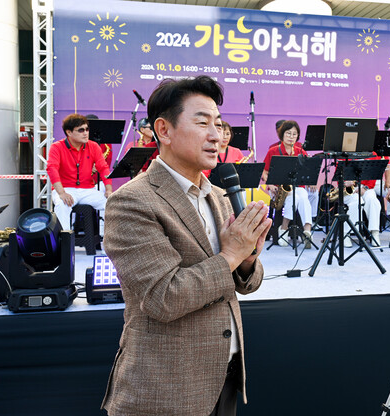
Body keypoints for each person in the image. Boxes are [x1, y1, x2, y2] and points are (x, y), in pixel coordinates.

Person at [100, 76, 272, 416]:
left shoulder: (220, 196)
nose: (217, 135)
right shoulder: (133, 202)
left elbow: (242, 283)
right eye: (203, 122)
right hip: (167, 388)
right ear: (163, 130)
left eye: (219, 125)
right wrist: (233, 254)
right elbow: (163, 297)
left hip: (224, 378)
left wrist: (249, 260)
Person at [46, 113, 112, 230]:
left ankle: (110, 244)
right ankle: (64, 244)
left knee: (113, 204)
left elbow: (103, 167)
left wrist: (109, 190)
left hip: (88, 190)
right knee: (62, 206)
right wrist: (61, 193)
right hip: (65, 189)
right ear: (69, 132)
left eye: (87, 129)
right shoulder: (56, 147)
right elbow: (52, 169)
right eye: (81, 130)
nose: (86, 133)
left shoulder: (93, 146)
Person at [262, 120, 317, 248]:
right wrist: (270, 184)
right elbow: (265, 172)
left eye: (294, 134)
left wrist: (311, 181)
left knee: (301, 195)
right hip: (278, 189)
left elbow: (307, 171)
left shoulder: (300, 151)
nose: (291, 137)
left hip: (296, 188)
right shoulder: (273, 150)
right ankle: (291, 229)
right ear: (282, 135)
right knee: (296, 196)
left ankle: (304, 230)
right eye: (288, 133)